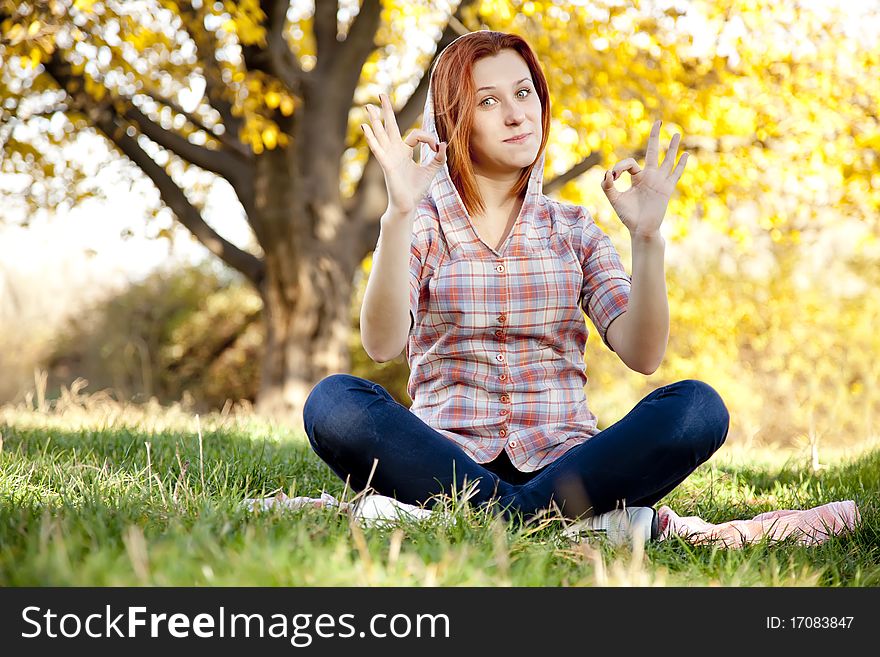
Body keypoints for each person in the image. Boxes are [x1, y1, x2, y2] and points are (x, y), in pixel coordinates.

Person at [303, 30, 729, 540]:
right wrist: (397, 214)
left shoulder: (573, 229)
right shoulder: (424, 226)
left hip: (568, 464)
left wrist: (647, 236)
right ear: (455, 122)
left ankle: (483, 520)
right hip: (445, 464)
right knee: (333, 402)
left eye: (525, 93)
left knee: (698, 408)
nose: (516, 114)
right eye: (489, 101)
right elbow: (381, 343)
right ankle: (573, 524)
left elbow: (643, 353)